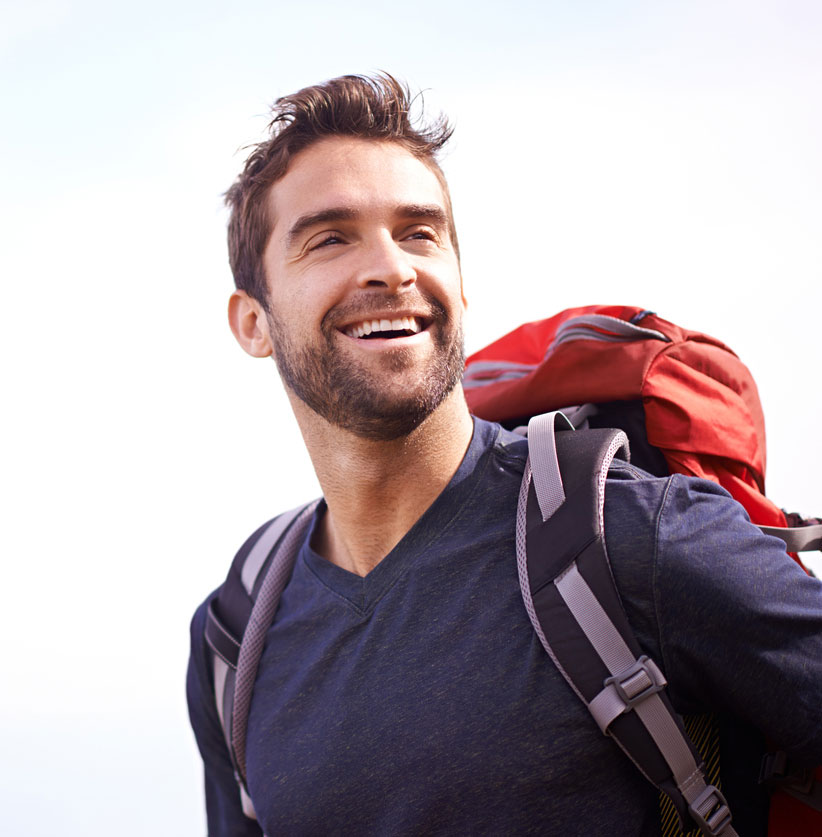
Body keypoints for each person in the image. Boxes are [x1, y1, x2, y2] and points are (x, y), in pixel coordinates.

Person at [185, 72, 822, 836]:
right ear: (252, 322)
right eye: (331, 237)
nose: (392, 266)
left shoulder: (630, 538)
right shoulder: (238, 633)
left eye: (419, 232)